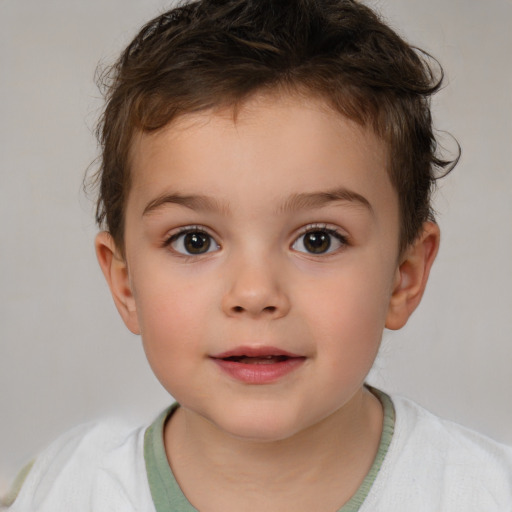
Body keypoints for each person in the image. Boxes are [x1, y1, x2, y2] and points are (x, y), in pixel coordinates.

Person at [3, 0, 512, 510]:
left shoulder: (485, 493)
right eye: (194, 240)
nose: (254, 293)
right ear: (126, 283)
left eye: (318, 239)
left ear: (404, 277)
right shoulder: (59, 492)